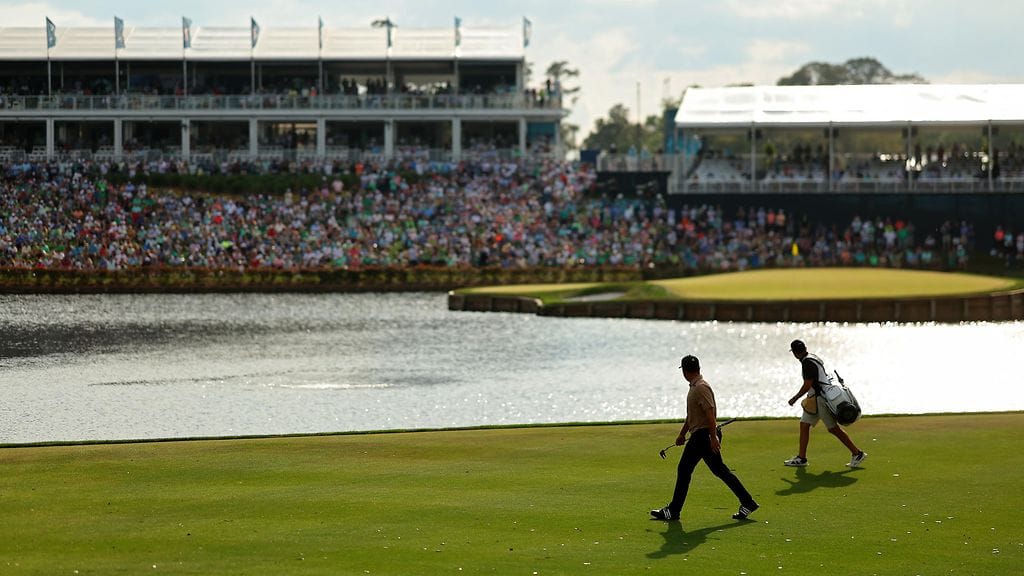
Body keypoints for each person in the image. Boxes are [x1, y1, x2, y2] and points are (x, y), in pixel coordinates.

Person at [650, 355, 759, 522]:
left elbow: (710, 413)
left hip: (704, 436)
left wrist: (713, 436)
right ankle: (748, 502)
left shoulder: (700, 387)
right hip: (702, 434)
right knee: (720, 470)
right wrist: (682, 433)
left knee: (684, 469)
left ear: (685, 371)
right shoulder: (695, 387)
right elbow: (692, 415)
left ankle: (673, 511)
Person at [784, 339, 867, 468]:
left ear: (795, 353)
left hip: (820, 400)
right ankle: (801, 458)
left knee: (833, 429)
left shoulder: (807, 363)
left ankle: (857, 453)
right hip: (816, 398)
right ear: (805, 348)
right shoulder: (812, 357)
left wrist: (794, 398)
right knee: (804, 425)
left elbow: (807, 385)